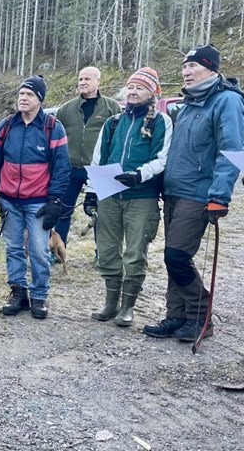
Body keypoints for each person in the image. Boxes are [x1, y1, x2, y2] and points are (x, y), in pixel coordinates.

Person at [144, 45, 244, 342]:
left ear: (211, 69)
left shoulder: (227, 101)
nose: (186, 72)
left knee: (177, 255)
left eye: (193, 67)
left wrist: (219, 196)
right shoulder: (187, 105)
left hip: (199, 193)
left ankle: (200, 316)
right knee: (171, 255)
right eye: (184, 67)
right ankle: (176, 316)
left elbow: (233, 151)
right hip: (174, 191)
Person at [87, 68, 172, 327]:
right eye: (131, 87)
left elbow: (163, 158)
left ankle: (128, 306)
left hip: (142, 196)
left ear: (152, 93)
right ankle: (110, 303)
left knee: (135, 252)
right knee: (108, 249)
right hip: (109, 194)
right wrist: (92, 192)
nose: (133, 92)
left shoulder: (161, 122)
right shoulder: (112, 122)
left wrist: (139, 175)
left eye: (140, 88)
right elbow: (98, 158)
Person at [0, 75, 70, 319]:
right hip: (10, 200)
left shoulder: (53, 127)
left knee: (40, 250)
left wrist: (54, 201)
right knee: (13, 248)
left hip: (38, 203)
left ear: (39, 100)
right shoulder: (6, 125)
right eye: (21, 93)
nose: (23, 98)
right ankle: (18, 292)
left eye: (29, 94)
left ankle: (39, 297)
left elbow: (62, 167)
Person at [55, 67, 121, 249]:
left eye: (87, 79)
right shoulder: (66, 109)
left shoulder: (111, 107)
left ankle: (103, 253)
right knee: (62, 210)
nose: (82, 82)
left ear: (98, 81)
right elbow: (55, 138)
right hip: (71, 168)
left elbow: (118, 139)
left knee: (103, 213)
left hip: (100, 169)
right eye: (80, 79)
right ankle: (58, 250)